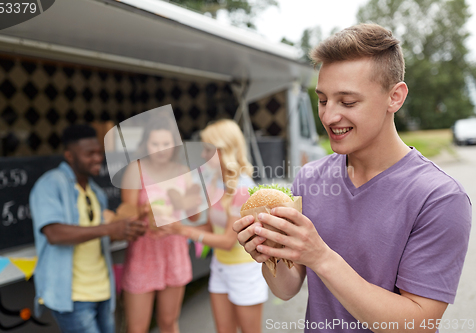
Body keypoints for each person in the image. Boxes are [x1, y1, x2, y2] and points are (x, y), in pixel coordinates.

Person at [233, 23, 472, 332]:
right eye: (322, 100)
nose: (329, 116)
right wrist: (268, 252)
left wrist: (320, 256)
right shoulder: (309, 179)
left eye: (348, 102)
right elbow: (286, 289)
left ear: (395, 98)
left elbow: (417, 324)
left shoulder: (440, 197)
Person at [30, 124, 146, 333]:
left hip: (103, 291)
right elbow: (54, 234)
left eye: (99, 153)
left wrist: (125, 230)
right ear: (69, 155)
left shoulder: (96, 192)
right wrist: (108, 229)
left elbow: (100, 237)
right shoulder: (50, 184)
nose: (97, 158)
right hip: (73, 296)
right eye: (89, 154)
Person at [171, 119, 268, 333]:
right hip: (220, 267)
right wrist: (179, 221)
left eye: (208, 149)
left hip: (244, 271)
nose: (204, 155)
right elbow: (209, 227)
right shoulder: (216, 182)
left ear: (225, 151)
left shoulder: (243, 188)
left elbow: (226, 241)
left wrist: (183, 230)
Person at [121, 115, 201, 333]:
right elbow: (127, 215)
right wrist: (143, 211)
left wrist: (191, 202)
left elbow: (194, 217)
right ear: (146, 144)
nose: (160, 149)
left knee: (168, 323)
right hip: (143, 253)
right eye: (155, 143)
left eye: (166, 143)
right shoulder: (135, 170)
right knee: (137, 328)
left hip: (174, 251)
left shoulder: (183, 172)